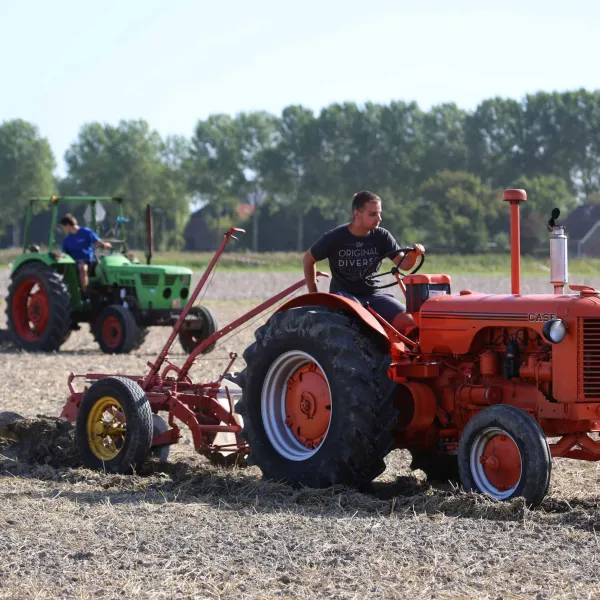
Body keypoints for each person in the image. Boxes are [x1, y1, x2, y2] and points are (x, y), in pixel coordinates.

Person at [303, 190, 424, 334]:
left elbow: (404, 265)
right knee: (362, 325)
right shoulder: (335, 237)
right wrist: (314, 296)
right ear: (356, 214)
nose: (379, 218)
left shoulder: (382, 236)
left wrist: (415, 255)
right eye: (372, 214)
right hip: (344, 295)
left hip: (374, 295)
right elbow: (308, 259)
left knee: (409, 323)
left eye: (379, 213)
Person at [59, 213, 112, 302]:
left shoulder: (86, 232)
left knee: (106, 266)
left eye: (63, 227)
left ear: (68, 225)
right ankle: (85, 295)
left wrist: (104, 245)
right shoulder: (66, 240)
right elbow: (64, 254)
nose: (63, 230)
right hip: (75, 264)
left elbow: (96, 241)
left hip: (90, 260)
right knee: (82, 267)